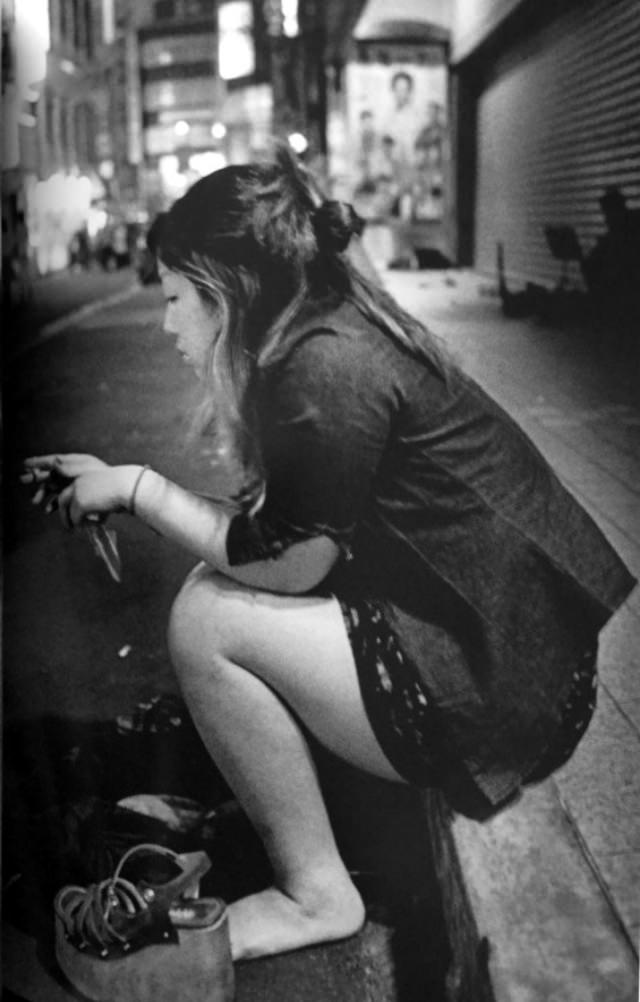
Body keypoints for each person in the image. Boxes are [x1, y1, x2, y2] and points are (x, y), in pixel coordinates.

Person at [23, 147, 635, 962]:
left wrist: (135, 488)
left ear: (225, 290)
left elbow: (286, 565)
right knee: (224, 585)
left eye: (176, 298)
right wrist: (121, 483)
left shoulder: (321, 368)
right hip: (521, 665)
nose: (168, 322)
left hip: (502, 691)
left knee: (208, 617)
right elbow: (288, 535)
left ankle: (314, 896)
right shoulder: (329, 325)